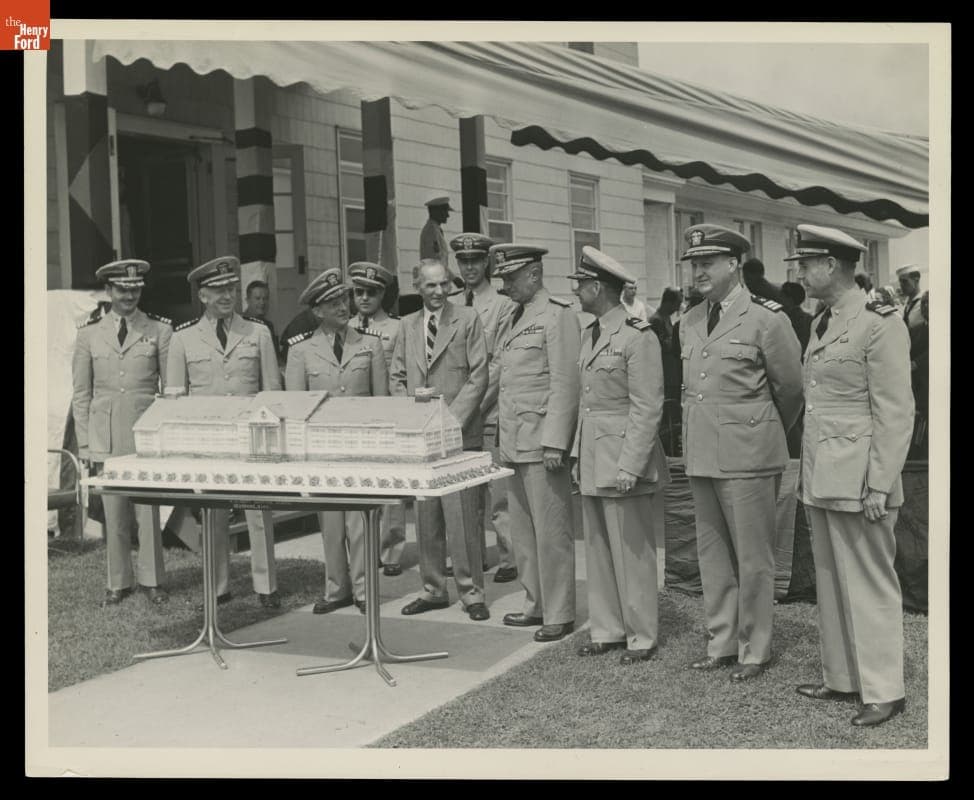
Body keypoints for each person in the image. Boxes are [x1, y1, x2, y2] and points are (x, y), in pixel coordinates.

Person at [788, 224, 914, 727]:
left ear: (832, 266)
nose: (800, 273)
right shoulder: (824, 319)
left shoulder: (880, 323)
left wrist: (880, 484)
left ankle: (885, 690)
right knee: (831, 581)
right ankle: (842, 677)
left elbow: (895, 412)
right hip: (824, 474)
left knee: (868, 585)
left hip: (861, 479)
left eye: (806, 264)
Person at [678, 224, 803, 681]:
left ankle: (756, 648)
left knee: (753, 558)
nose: (698, 273)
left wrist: (761, 431)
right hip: (702, 452)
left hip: (749, 452)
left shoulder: (767, 318)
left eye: (707, 263)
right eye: (694, 265)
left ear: (734, 264)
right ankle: (722, 640)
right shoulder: (690, 319)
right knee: (712, 555)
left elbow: (790, 390)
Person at [569, 247, 670, 664]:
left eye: (581, 284)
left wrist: (631, 463)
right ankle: (608, 628)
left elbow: (648, 405)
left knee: (632, 550)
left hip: (623, 455)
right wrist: (578, 455)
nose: (576, 291)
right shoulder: (589, 333)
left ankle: (641, 635)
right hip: (594, 453)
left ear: (597, 287)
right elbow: (586, 403)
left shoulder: (636, 335)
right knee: (596, 546)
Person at [166, 256, 282, 608]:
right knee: (213, 513)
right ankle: (219, 586)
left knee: (257, 511)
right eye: (218, 290)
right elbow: (175, 399)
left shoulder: (257, 333)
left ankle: (266, 587)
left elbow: (272, 393)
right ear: (203, 295)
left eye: (231, 289)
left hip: (250, 439)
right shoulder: (182, 339)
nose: (227, 295)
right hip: (209, 442)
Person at [285, 267, 388, 614]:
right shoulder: (301, 352)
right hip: (322, 449)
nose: (343, 306)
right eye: (333, 302)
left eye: (343, 299)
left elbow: (382, 401)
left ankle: (362, 590)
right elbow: (296, 407)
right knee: (330, 522)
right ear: (317, 311)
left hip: (359, 446)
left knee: (359, 521)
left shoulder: (370, 344)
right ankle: (336, 589)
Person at [391, 261, 491, 621]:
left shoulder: (467, 319)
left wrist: (451, 422)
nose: (437, 292)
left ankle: (471, 592)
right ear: (417, 286)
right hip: (422, 436)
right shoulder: (407, 325)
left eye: (443, 284)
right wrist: (414, 419)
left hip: (458, 434)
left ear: (452, 285)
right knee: (426, 515)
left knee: (462, 515)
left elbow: (480, 375)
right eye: (430, 285)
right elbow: (398, 375)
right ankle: (433, 588)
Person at [492, 243, 581, 643]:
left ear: (533, 274)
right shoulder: (514, 316)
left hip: (542, 441)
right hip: (513, 439)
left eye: (511, 277)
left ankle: (560, 612)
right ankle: (535, 603)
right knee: (523, 532)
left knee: (551, 532)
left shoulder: (557, 316)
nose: (505, 285)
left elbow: (565, 382)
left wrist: (556, 443)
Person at [72, 259, 170, 606]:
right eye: (122, 290)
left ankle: (152, 580)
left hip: (144, 435)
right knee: (113, 512)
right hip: (105, 436)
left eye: (135, 290)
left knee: (148, 512)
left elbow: (170, 392)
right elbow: (82, 395)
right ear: (109, 291)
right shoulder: (88, 335)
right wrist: (85, 444)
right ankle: (118, 582)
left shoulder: (159, 331)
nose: (129, 296)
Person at [450, 232, 519, 583]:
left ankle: (509, 556)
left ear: (487, 263)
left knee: (498, 495)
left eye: (476, 260)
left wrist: (470, 406)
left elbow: (499, 363)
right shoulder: (451, 303)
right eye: (464, 261)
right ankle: (470, 555)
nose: (470, 267)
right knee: (464, 491)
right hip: (455, 415)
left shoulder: (503, 307)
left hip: (488, 411)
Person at [347, 261, 408, 577]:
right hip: (355, 417)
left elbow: (401, 372)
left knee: (389, 486)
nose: (365, 298)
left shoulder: (397, 328)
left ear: (383, 293)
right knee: (359, 484)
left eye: (372, 292)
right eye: (359, 292)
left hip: (387, 413)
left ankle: (391, 549)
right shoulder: (345, 328)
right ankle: (362, 547)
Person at [648, 287, 684, 456]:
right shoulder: (656, 321)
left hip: (672, 375)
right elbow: (666, 346)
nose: (678, 308)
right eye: (676, 304)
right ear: (668, 302)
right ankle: (665, 450)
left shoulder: (666, 319)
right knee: (665, 416)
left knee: (673, 414)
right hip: (664, 376)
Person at [907, 291, 929, 459]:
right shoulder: (917, 329)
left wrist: (916, 364)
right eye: (923, 303)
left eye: (929, 303)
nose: (926, 306)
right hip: (918, 387)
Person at [419, 195, 460, 285]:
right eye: (445, 211)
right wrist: (454, 278)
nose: (448, 215)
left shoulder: (435, 229)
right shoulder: (431, 231)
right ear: (436, 211)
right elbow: (435, 261)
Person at [243, 280, 280, 356]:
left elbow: (274, 356)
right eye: (257, 298)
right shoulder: (239, 323)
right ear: (248, 300)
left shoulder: (269, 326)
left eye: (265, 298)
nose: (262, 302)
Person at [780, 281, 813, 356]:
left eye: (782, 296)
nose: (779, 299)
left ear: (789, 299)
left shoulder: (781, 319)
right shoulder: (810, 319)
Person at [896, 264, 925, 331]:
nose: (901, 285)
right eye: (900, 282)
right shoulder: (907, 303)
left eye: (905, 281)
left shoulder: (925, 301)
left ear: (916, 280)